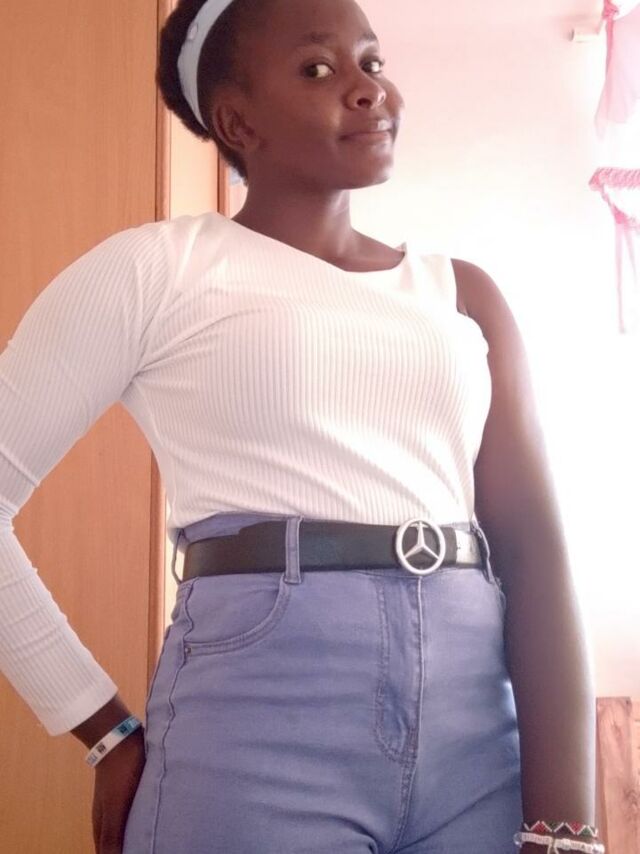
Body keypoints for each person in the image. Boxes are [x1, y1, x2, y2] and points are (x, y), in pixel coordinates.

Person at [0, 1, 602, 852]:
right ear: (237, 122)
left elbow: (534, 549)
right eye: (319, 69)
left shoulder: (463, 294)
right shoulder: (158, 270)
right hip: (257, 731)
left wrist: (567, 830)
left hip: (477, 747)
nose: (368, 89)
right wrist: (99, 725)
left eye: (373, 62)